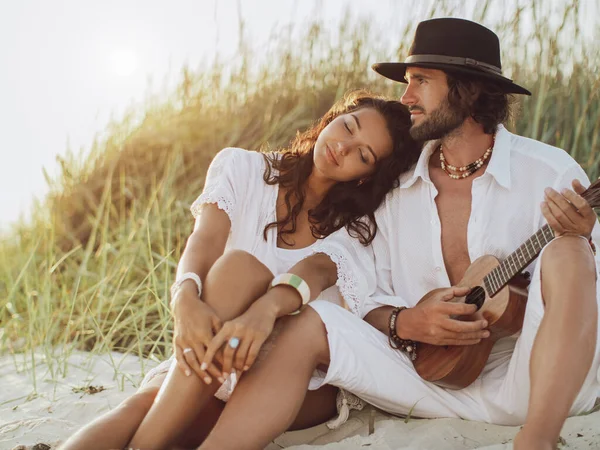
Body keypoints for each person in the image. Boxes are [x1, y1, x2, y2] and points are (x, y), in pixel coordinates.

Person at [196, 18, 600, 450]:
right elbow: (351, 273)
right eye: (407, 81)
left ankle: (536, 441)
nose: (405, 97)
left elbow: (581, 295)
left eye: (421, 81)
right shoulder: (395, 182)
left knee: (568, 251)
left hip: (534, 383)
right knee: (313, 323)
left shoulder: (549, 172)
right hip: (423, 380)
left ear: (471, 90)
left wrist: (584, 240)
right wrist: (404, 321)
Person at [58, 90, 421, 450]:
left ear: (366, 176)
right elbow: (206, 239)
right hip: (215, 348)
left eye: (362, 155)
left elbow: (317, 270)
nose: (343, 147)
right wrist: (184, 298)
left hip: (292, 375)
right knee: (144, 401)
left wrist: (265, 311)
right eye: (348, 127)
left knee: (166, 407)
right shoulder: (242, 167)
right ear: (331, 119)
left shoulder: (355, 227)